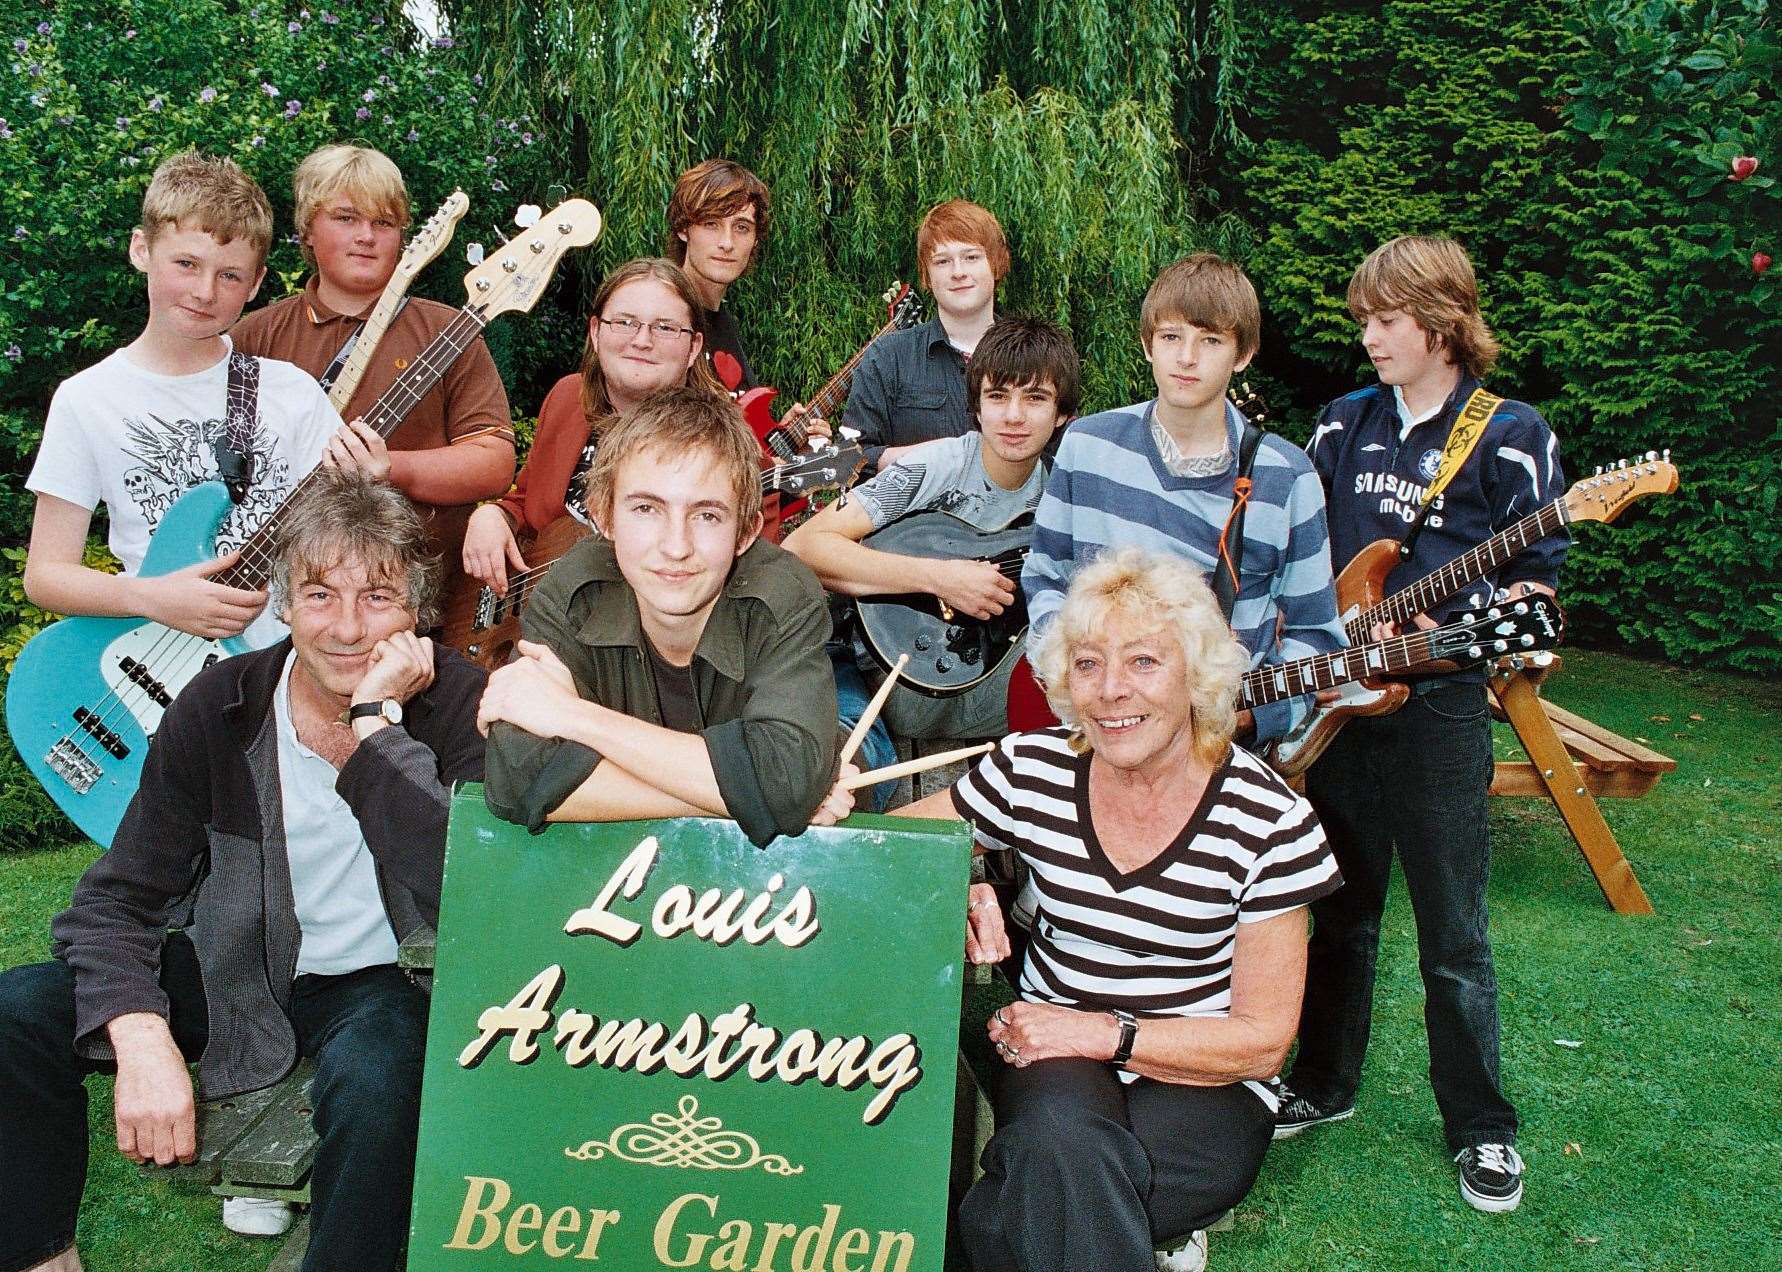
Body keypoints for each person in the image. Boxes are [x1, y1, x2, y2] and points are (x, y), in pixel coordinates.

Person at [0, 468, 489, 1272]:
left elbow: (462, 884)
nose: (346, 627)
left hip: (387, 981)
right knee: (19, 1010)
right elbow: (116, 902)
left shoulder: (460, 704)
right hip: (237, 963)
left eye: (378, 596)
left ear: (418, 614)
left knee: (379, 1083)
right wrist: (142, 1030)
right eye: (320, 595)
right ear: (283, 604)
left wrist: (374, 727)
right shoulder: (220, 704)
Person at [897, 548, 1341, 1272]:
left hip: (1205, 1069)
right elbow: (903, 841)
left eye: (1143, 663)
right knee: (1061, 1152)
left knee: (1034, 1189)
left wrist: (1101, 1032)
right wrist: (962, 873)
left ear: (1196, 677)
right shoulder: (1033, 768)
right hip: (1054, 1060)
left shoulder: (1269, 819)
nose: (1110, 692)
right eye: (1088, 663)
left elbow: (1262, 1041)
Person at [1277, 236, 1567, 1214]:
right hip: (1344, 707)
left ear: (1439, 323)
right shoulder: (1340, 425)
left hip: (1441, 709)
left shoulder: (1513, 432)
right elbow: (1303, 550)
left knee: (1454, 933)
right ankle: (1321, 1084)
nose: (1367, 337)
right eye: (1363, 319)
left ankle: (1482, 1129)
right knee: (1341, 914)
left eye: (1384, 321)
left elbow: (1536, 581)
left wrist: (1496, 621)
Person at [479, 386, 851, 843]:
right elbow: (515, 780)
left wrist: (572, 717)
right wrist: (751, 798)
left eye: (708, 515)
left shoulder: (784, 594)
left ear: (746, 532)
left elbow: (785, 780)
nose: (676, 547)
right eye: (646, 509)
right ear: (604, 517)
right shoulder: (574, 590)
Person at [23, 151, 347, 650]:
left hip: (290, 668)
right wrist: (153, 598)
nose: (203, 291)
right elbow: (45, 576)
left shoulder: (293, 393)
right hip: (156, 669)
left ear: (257, 283)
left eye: (230, 275)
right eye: (186, 264)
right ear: (140, 249)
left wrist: (366, 485)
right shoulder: (86, 399)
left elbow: (344, 540)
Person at [1020, 253, 1346, 748]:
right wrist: (1073, 680)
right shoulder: (1087, 447)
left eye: (1210, 340)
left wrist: (1253, 722)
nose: (1186, 357)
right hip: (1094, 734)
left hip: (1219, 748)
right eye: (1171, 337)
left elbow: (1316, 635)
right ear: (1148, 344)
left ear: (1243, 355)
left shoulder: (1288, 476)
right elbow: (1045, 576)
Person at [783, 316, 1080, 805]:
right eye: (997, 396)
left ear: (1062, 414)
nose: (1013, 416)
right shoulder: (937, 464)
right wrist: (941, 577)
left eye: (1035, 398)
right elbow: (805, 547)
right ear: (977, 407)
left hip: (990, 692)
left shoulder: (1064, 493)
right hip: (893, 674)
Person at [231, 144, 516, 597]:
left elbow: (493, 461)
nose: (366, 235)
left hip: (420, 604)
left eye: (383, 223)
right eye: (345, 218)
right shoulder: (254, 338)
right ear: (307, 229)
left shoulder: (449, 331)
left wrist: (390, 468)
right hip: (277, 605)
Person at [459, 257, 724, 597]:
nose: (642, 340)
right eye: (625, 322)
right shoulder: (569, 397)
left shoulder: (719, 441)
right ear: (596, 333)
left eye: (665, 327)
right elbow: (527, 501)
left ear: (693, 348)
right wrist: (495, 517)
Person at [844, 199, 1009, 471]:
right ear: (926, 276)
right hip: (917, 513)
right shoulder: (888, 357)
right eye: (942, 261)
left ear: (996, 264)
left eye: (971, 257)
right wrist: (938, 456)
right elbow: (854, 456)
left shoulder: (1033, 356)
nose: (958, 272)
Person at [665, 157, 771, 390]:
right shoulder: (659, 319)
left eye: (741, 227)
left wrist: (780, 427)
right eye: (711, 224)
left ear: (755, 240)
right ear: (684, 229)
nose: (727, 243)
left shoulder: (723, 323)